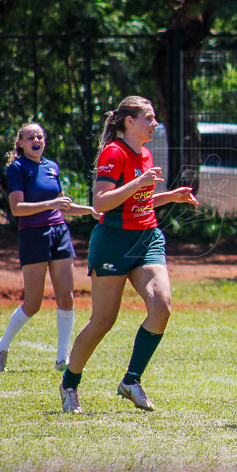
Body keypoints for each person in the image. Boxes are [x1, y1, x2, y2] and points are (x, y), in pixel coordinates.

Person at [59, 97, 199, 414]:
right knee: (103, 320)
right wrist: (139, 181)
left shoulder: (145, 153)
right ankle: (69, 384)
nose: (154, 124)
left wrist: (170, 196)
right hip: (113, 242)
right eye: (148, 118)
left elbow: (139, 201)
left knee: (161, 307)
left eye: (154, 118)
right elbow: (101, 203)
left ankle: (131, 381)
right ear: (128, 122)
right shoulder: (114, 152)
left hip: (147, 238)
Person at [0, 123, 98, 373]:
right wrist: (50, 202)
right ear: (20, 143)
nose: (37, 140)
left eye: (40, 136)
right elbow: (17, 209)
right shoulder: (17, 168)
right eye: (31, 137)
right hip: (33, 235)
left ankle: (62, 359)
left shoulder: (51, 166)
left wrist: (92, 211)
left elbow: (62, 206)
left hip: (59, 232)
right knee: (33, 303)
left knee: (66, 297)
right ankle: (1, 348)